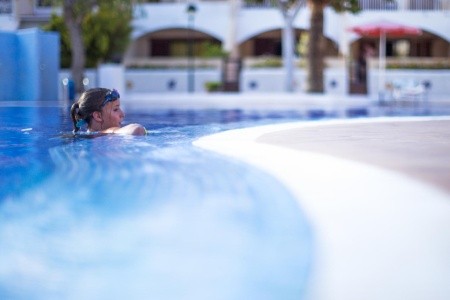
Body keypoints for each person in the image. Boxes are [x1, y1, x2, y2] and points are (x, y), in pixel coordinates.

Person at [70, 88, 146, 136]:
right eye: (115, 109)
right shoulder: (109, 131)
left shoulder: (86, 136)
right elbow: (137, 130)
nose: (122, 114)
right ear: (98, 116)